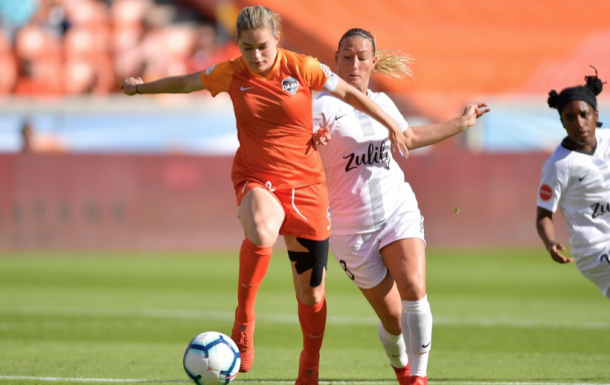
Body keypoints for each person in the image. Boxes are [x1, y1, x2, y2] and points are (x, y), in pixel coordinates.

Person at [120, 6, 409, 385]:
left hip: (306, 189)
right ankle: (244, 320)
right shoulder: (231, 72)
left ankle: (309, 367)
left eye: (261, 47)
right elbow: (188, 82)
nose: (255, 56)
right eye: (246, 48)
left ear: (277, 39)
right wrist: (141, 88)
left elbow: (354, 96)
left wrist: (392, 124)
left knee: (311, 296)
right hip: (257, 177)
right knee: (260, 226)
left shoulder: (303, 68)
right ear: (237, 46)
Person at [312, 28, 489, 385]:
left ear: (373, 62)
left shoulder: (383, 103)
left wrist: (462, 123)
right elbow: (296, 149)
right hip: (351, 229)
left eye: (363, 57)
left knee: (413, 286)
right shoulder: (321, 108)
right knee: (393, 321)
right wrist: (313, 140)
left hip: (397, 209)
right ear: (335, 59)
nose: (355, 64)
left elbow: (407, 138)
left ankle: (418, 379)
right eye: (347, 56)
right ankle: (402, 369)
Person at [536, 66, 610, 300]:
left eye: (583, 115)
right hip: (594, 250)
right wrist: (550, 243)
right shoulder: (558, 165)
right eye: (570, 118)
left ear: (595, 115)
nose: (579, 123)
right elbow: (543, 215)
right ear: (563, 123)